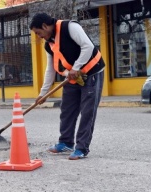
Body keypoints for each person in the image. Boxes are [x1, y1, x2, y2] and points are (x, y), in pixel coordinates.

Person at [29, 13, 105, 160]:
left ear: (45, 26)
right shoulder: (49, 44)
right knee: (67, 110)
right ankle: (65, 142)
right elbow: (50, 68)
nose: (39, 36)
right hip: (72, 77)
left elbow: (88, 46)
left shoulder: (70, 27)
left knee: (87, 112)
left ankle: (82, 148)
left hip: (92, 72)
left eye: (38, 33)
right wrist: (43, 93)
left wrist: (76, 68)